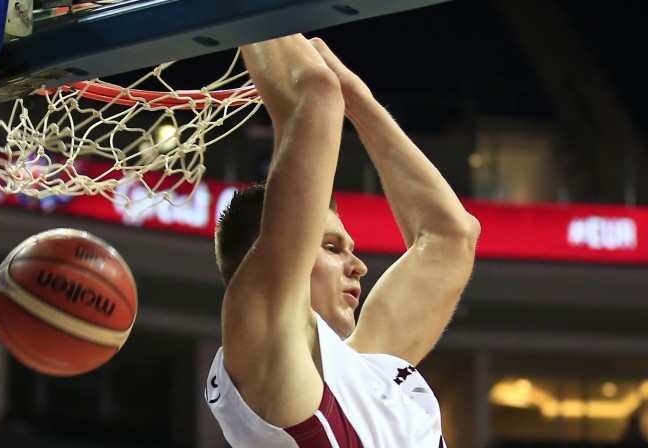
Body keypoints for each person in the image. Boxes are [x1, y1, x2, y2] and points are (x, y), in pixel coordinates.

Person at [204, 34, 480, 447]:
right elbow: (313, 97)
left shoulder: (366, 369)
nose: (359, 266)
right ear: (257, 262)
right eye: (332, 248)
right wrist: (251, 18)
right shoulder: (263, 347)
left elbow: (448, 235)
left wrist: (356, 98)